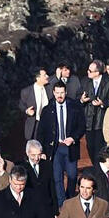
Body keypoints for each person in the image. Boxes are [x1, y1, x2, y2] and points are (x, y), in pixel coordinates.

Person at [38, 80, 85, 209]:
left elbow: (82, 126)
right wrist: (41, 151)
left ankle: (69, 199)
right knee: (57, 177)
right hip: (55, 148)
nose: (59, 95)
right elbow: (41, 131)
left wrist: (73, 138)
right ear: (53, 93)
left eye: (62, 93)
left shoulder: (75, 106)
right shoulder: (47, 110)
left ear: (66, 92)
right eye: (57, 93)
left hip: (70, 147)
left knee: (72, 175)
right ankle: (62, 204)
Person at [79, 60, 109, 163]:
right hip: (89, 121)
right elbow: (78, 95)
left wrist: (103, 103)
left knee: (101, 147)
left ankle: (100, 167)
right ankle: (96, 166)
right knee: (90, 146)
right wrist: (82, 99)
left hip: (102, 121)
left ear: (97, 72)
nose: (88, 72)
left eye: (90, 71)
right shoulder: (85, 82)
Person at [18, 68, 51, 141]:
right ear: (38, 78)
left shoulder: (50, 88)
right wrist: (27, 111)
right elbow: (21, 105)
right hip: (35, 125)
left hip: (48, 124)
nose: (47, 76)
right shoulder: (26, 91)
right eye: (44, 75)